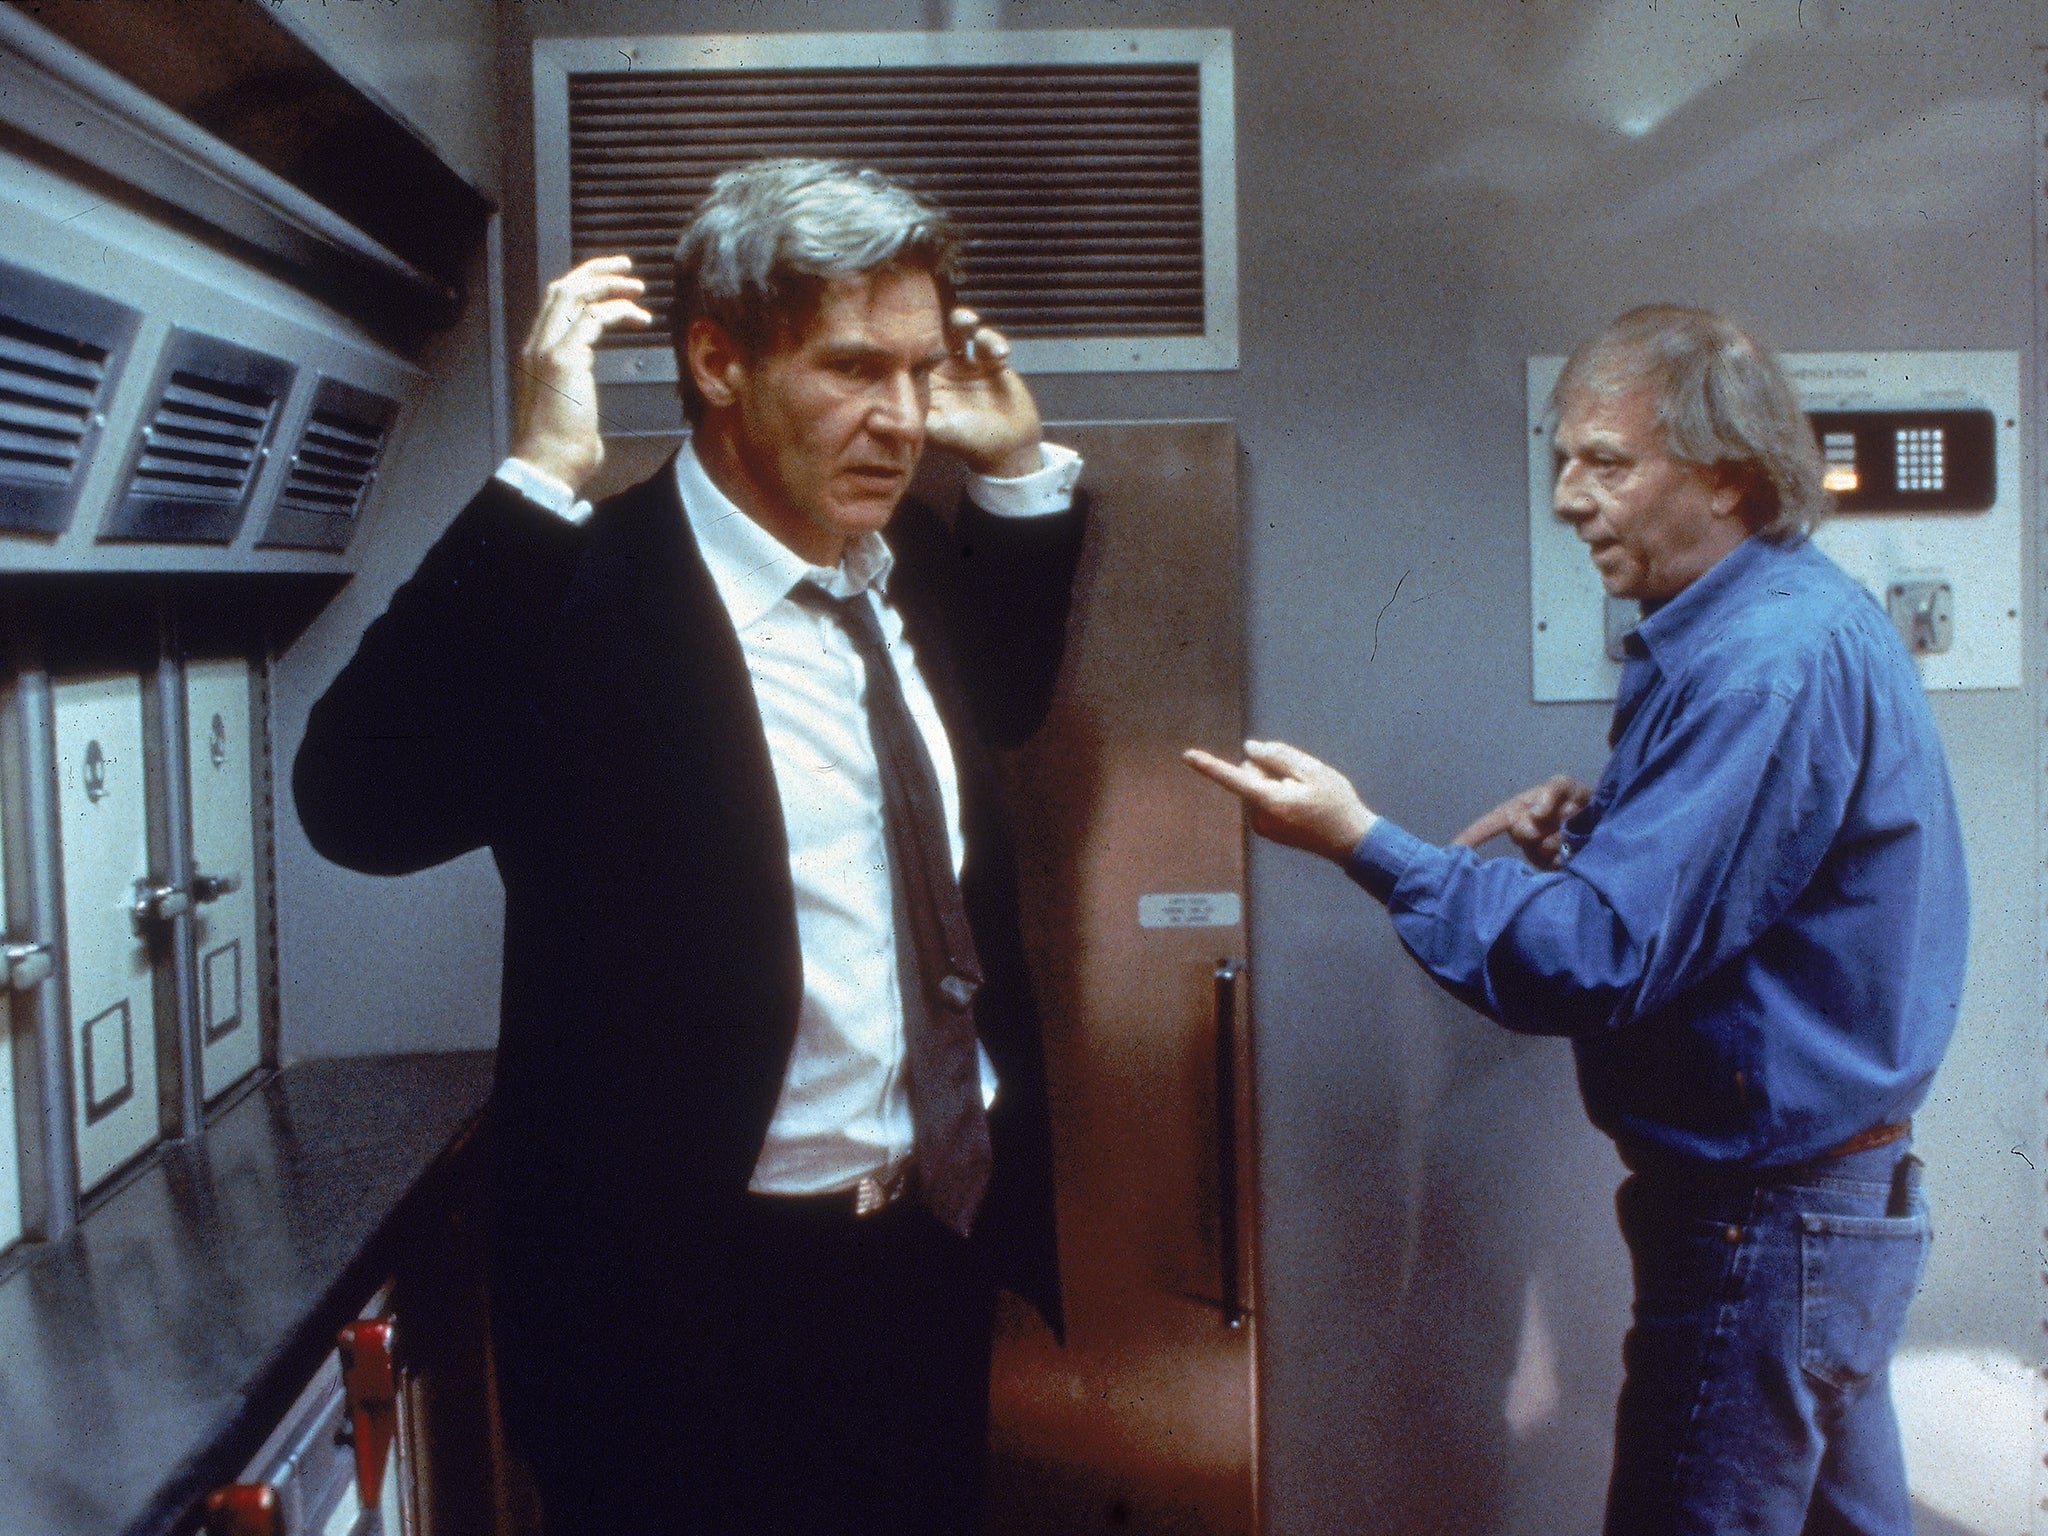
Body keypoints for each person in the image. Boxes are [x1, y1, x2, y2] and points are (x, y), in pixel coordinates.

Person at [294, 159, 1085, 1534]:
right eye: (852, 369)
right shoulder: (583, 596)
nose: (899, 421)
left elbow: (1003, 701)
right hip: (676, 1322)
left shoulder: (902, 583)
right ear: (717, 361)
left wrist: (1015, 470)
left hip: (920, 1268)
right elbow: (357, 807)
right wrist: (541, 478)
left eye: (916, 371)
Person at [1186, 304, 1966, 1536]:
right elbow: (1752, 884)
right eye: (1563, 459)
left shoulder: (1762, 661)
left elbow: (1594, 956)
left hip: (1765, 1226)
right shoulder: (1781, 624)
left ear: (1723, 479)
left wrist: (1360, 841)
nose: (1564, 499)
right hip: (1816, 1216)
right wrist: (1608, 826)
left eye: (1605, 462)